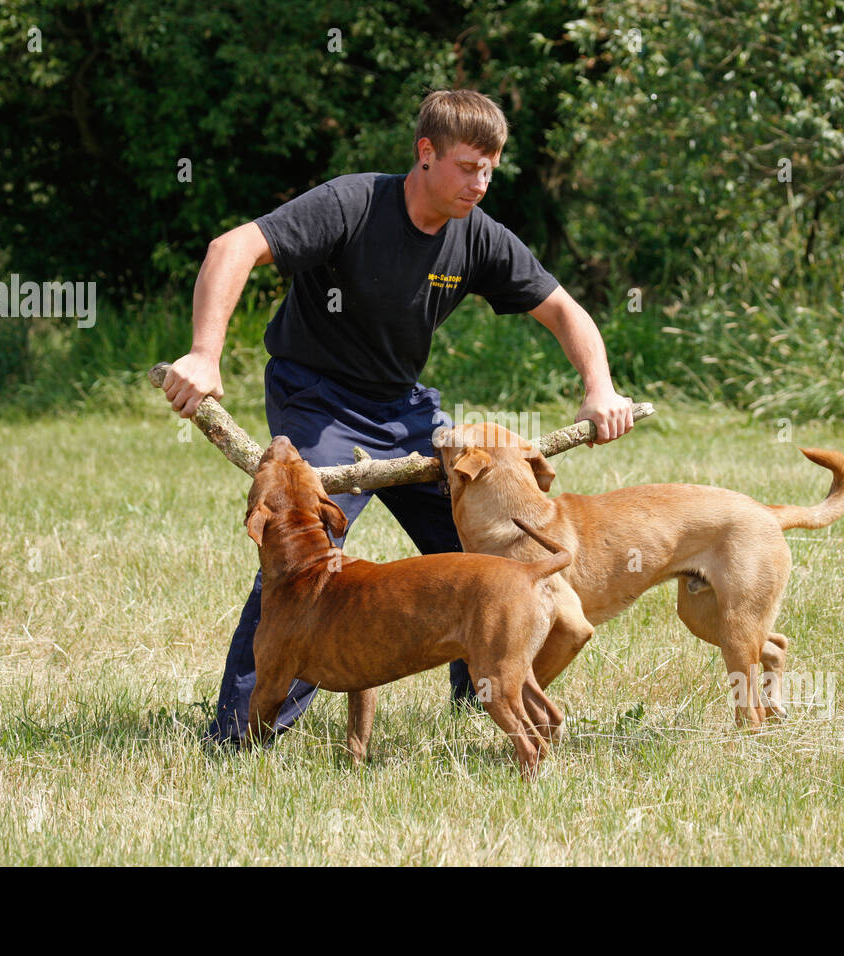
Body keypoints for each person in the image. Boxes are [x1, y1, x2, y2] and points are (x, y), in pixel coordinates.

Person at [163, 89, 634, 745]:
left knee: (477, 535)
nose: (481, 182)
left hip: (403, 406)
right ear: (425, 153)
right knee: (305, 556)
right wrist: (204, 355)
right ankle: (242, 733)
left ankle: (485, 687)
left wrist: (600, 386)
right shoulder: (353, 204)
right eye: (468, 166)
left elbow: (562, 309)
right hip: (318, 395)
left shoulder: (479, 236)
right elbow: (231, 247)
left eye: (491, 169)